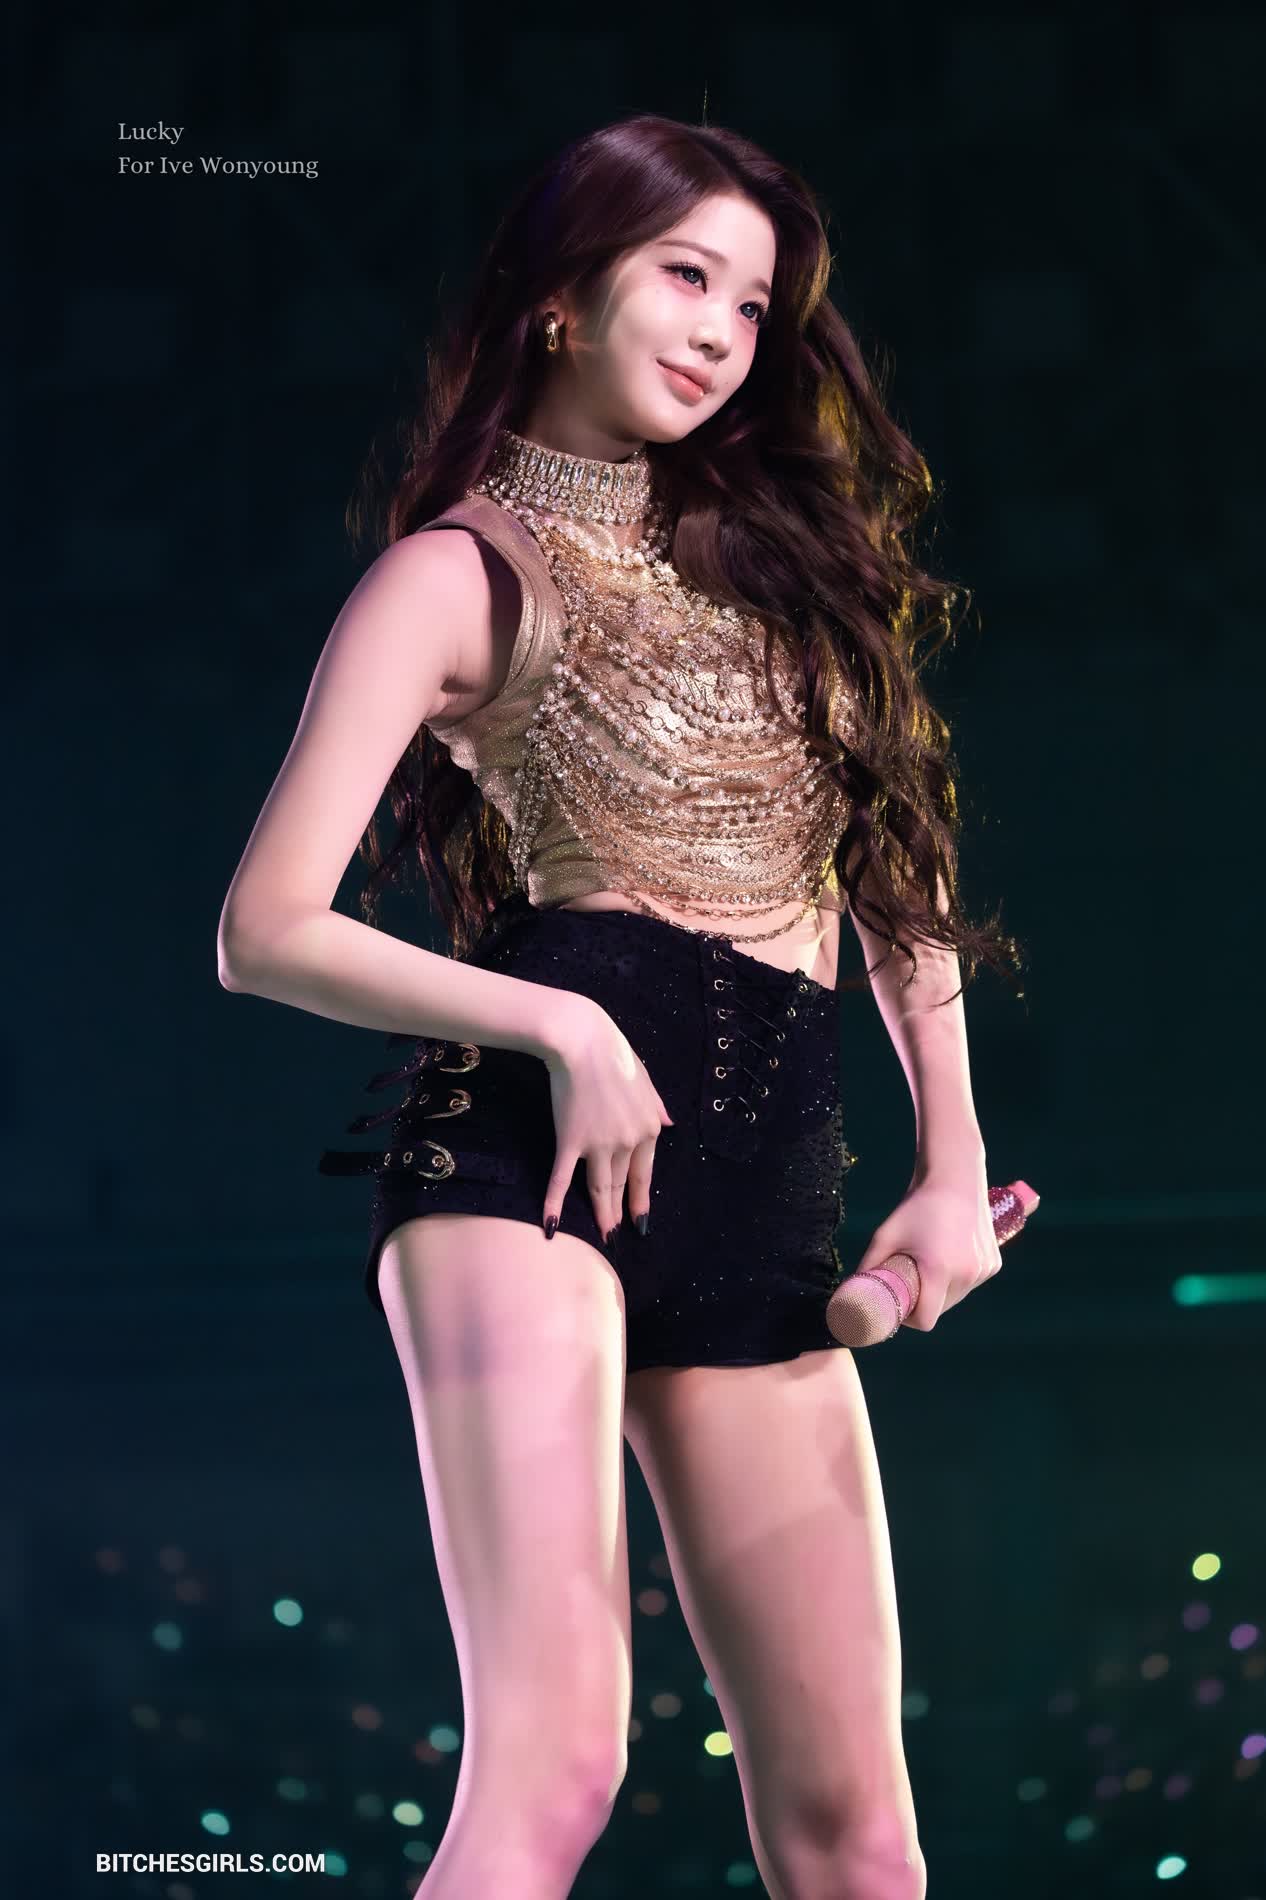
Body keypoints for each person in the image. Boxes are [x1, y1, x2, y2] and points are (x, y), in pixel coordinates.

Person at [217, 113, 1024, 1900]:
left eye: (752, 304)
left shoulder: (790, 580)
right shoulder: (454, 573)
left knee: (860, 1846)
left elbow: (895, 884)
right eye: (685, 274)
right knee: (556, 1774)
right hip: (526, 1164)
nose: (723, 330)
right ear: (562, 297)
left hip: (768, 1186)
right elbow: (263, 930)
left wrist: (952, 1169)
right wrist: (565, 1030)